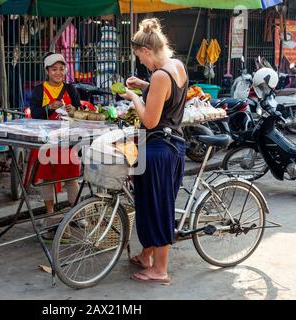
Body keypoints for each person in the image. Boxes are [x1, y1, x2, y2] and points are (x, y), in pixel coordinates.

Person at [119, 18, 188, 284]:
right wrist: (145, 86)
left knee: (158, 207)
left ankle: (160, 270)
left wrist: (135, 97)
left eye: (140, 58)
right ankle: (147, 256)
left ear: (147, 51)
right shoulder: (176, 67)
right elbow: (168, 94)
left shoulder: (160, 74)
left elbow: (149, 120)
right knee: (149, 204)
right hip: (173, 146)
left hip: (159, 148)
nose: (143, 64)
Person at [28, 52, 83, 239]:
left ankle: (75, 213)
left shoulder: (70, 89)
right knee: (46, 176)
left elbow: (79, 111)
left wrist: (73, 109)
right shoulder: (38, 90)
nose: (58, 73)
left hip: (67, 140)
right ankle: (51, 214)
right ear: (47, 71)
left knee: (71, 175)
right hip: (46, 140)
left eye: (61, 69)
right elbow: (34, 113)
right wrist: (49, 108)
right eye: (54, 69)